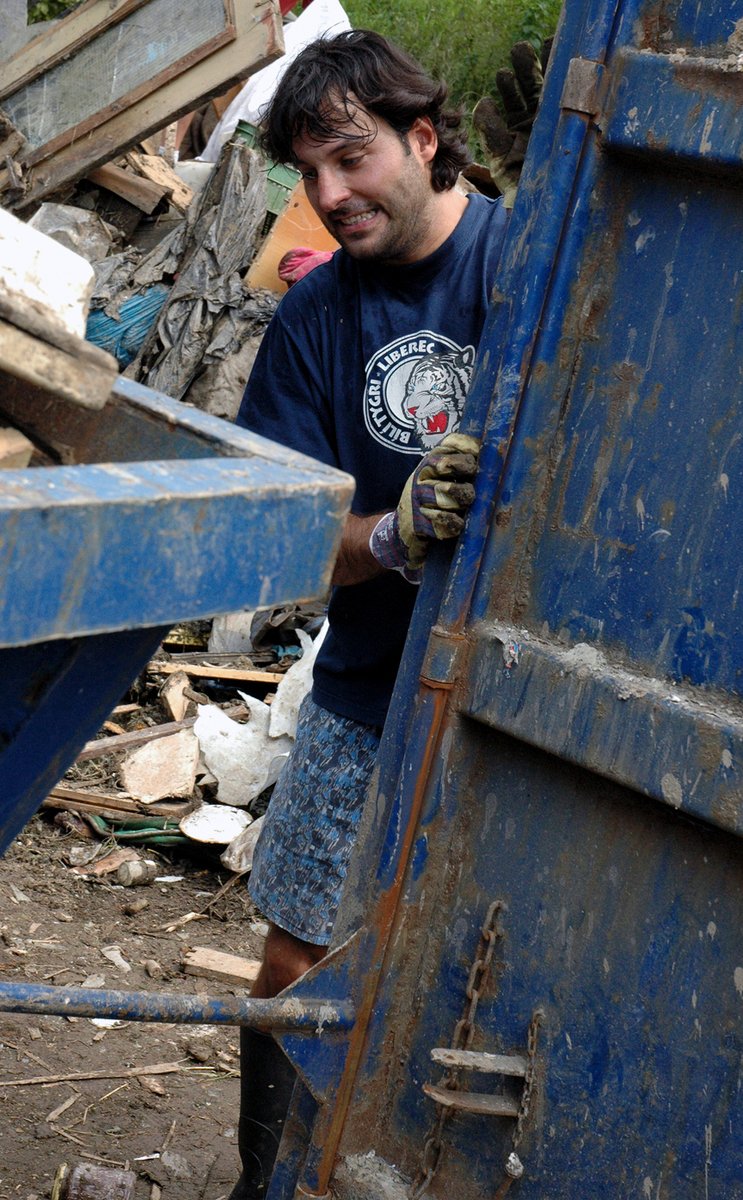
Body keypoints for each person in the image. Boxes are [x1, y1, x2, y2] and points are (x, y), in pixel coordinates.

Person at [231, 29, 509, 1199]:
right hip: (366, 688)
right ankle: (265, 1181)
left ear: (423, 137)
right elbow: (287, 542)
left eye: (350, 158)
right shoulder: (313, 322)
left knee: (486, 970)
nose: (328, 195)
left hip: (513, 705)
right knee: (298, 954)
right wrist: (390, 533)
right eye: (308, 172)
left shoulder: (530, 265)